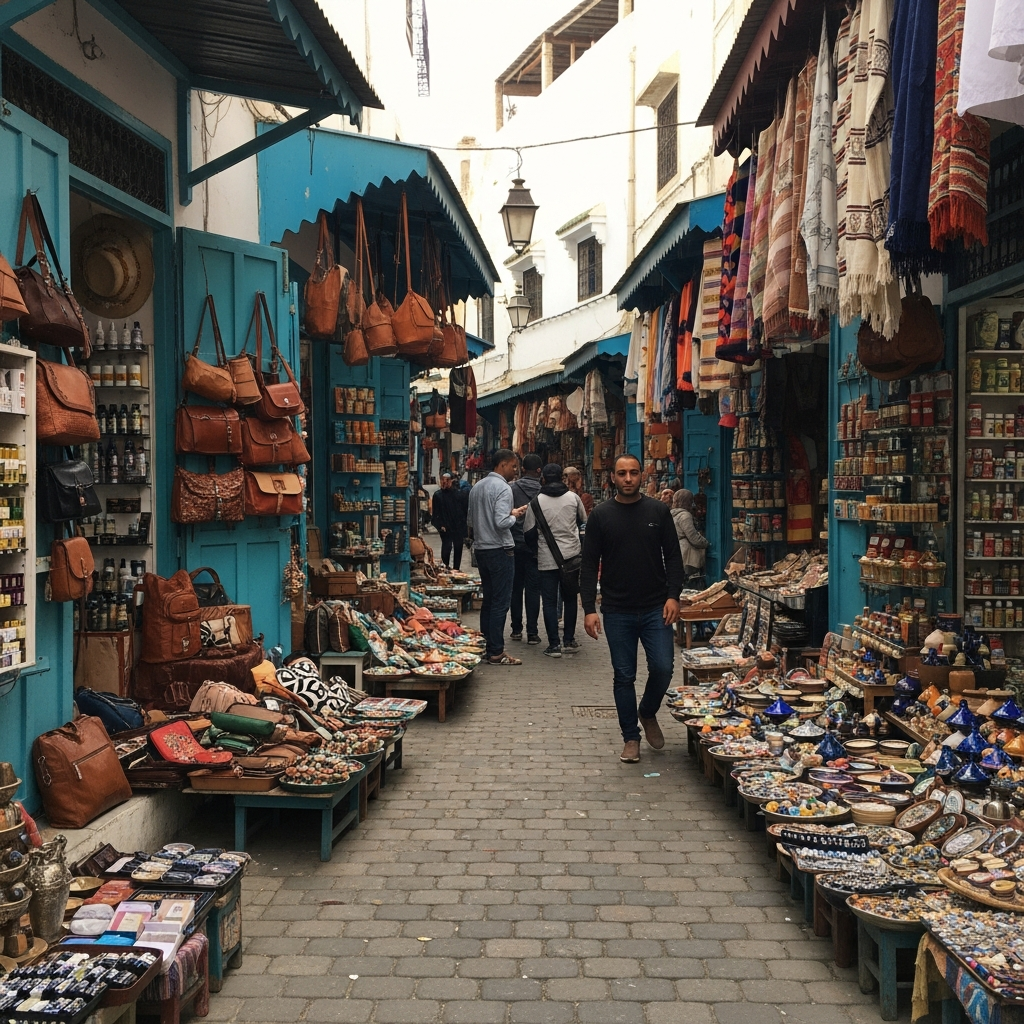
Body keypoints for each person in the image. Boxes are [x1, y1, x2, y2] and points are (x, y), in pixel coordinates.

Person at [580, 453, 683, 763]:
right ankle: (630, 737)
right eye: (622, 473)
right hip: (617, 610)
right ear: (613, 477)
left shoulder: (658, 511)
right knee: (624, 676)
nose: (628, 478)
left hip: (656, 607)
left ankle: (647, 711)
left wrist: (674, 595)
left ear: (641, 476)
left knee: (663, 668)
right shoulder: (600, 515)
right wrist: (588, 608)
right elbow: (588, 565)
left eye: (634, 473)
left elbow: (674, 557)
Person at [467, 449, 528, 665]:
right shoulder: (503, 488)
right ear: (502, 465)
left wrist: (508, 514)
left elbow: (472, 521)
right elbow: (501, 523)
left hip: (482, 549)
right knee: (501, 602)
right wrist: (513, 517)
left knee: (489, 601)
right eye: (513, 466)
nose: (515, 471)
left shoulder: (477, 487)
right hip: (500, 550)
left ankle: (487, 646)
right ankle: (496, 652)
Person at [524, 463, 587, 658]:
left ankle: (554, 645)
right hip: (571, 558)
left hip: (547, 559)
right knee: (570, 600)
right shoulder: (574, 498)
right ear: (562, 478)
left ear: (543, 478)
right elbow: (583, 523)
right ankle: (569, 640)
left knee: (550, 602)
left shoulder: (535, 503)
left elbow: (528, 533)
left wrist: (537, 549)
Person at [509, 454, 543, 643]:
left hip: (514, 544)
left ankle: (516, 629)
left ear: (523, 469)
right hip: (535, 547)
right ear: (539, 471)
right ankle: (532, 632)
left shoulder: (512, 489)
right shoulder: (544, 492)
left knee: (516, 588)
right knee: (533, 590)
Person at [671, 489, 710, 584]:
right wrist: (706, 543)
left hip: (677, 551)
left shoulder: (672, 514)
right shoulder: (685, 515)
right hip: (686, 554)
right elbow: (693, 537)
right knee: (689, 582)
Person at [431, 473, 467, 569]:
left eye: (447, 480)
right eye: (443, 480)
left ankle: (456, 569)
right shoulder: (438, 495)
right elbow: (435, 513)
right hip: (445, 527)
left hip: (458, 526)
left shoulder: (460, 495)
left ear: (451, 481)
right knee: (446, 547)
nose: (444, 482)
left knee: (458, 547)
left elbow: (464, 510)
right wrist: (440, 525)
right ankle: (446, 567)